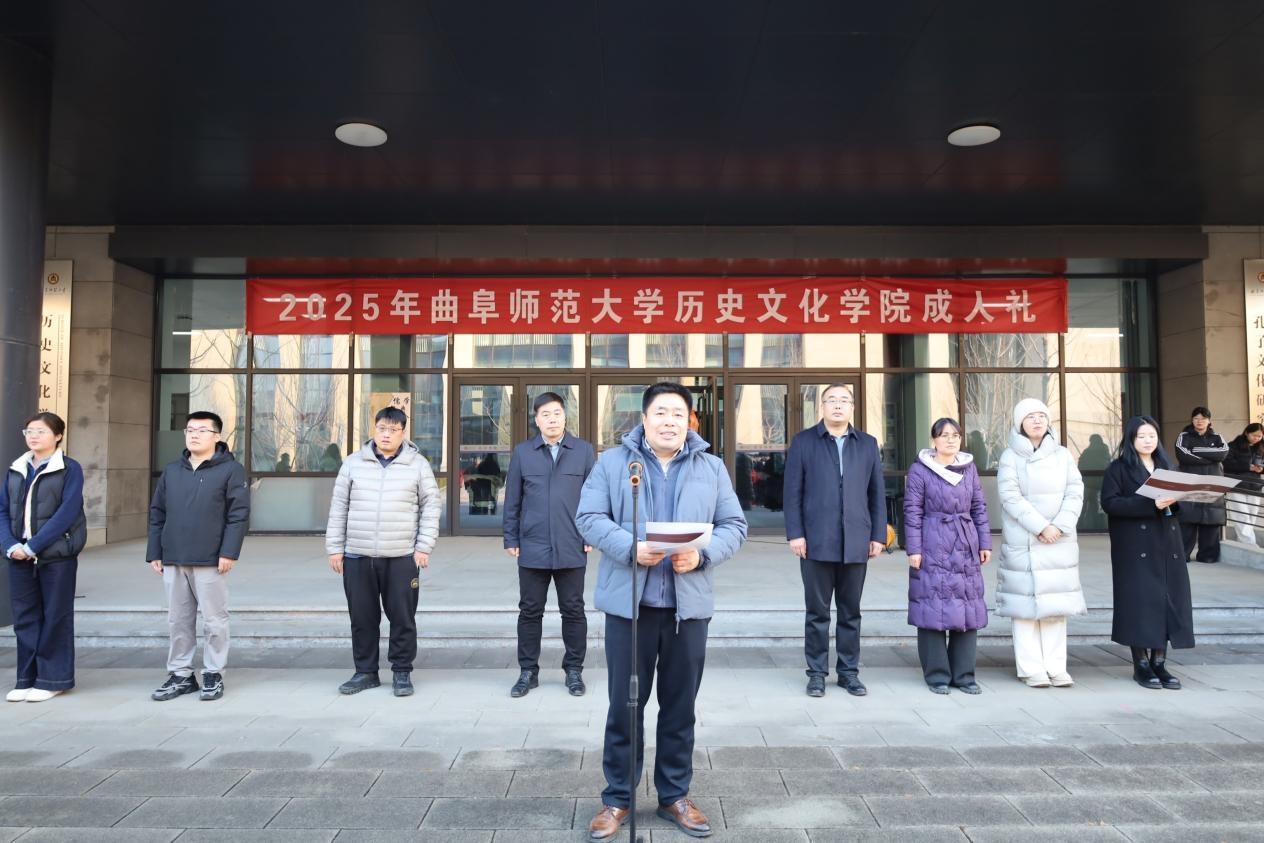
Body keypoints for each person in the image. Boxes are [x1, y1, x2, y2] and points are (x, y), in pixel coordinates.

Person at [577, 382, 747, 841]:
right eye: (660, 412)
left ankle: (674, 795)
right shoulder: (615, 463)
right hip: (630, 608)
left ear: (689, 421)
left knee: (680, 707)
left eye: (677, 414)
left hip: (686, 610)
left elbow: (735, 525)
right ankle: (618, 798)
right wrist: (629, 547)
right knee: (624, 706)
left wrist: (703, 555)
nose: (669, 421)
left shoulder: (711, 467)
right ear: (644, 419)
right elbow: (588, 517)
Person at [326, 406, 441, 697]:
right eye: (382, 428)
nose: (386, 434)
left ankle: (402, 672)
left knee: (402, 618)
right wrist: (335, 548)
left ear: (403, 433)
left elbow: (431, 506)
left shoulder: (417, 465)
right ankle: (365, 672)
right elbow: (338, 507)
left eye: (393, 430)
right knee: (362, 618)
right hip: (357, 554)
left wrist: (423, 546)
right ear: (374, 429)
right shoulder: (353, 463)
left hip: (401, 556)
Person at [784, 383, 886, 698]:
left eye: (844, 400)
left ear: (852, 407)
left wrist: (878, 535)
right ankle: (816, 674)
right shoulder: (804, 442)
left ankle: (848, 673)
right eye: (832, 400)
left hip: (856, 540)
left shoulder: (867, 444)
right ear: (822, 406)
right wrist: (796, 533)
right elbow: (792, 492)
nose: (838, 405)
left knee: (850, 611)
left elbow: (876, 493)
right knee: (817, 613)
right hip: (816, 541)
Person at [148, 411, 250, 702]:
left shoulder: (230, 470)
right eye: (190, 430)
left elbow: (238, 514)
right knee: (178, 620)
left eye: (202, 430)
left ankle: (213, 673)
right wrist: (155, 551)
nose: (194, 435)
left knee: (214, 620)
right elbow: (157, 512)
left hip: (210, 558)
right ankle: (181, 675)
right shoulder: (172, 470)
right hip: (174, 556)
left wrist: (229, 551)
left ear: (217, 436)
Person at [502, 392, 596, 698]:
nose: (552, 419)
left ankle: (574, 671)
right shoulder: (523, 452)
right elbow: (512, 500)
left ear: (565, 416)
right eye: (545, 414)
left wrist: (591, 534)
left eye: (557, 413)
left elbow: (595, 498)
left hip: (572, 544)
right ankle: (528, 672)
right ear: (536, 419)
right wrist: (511, 537)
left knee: (574, 611)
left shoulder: (583, 451)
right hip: (533, 545)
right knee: (530, 611)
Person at [995, 399, 1086, 688]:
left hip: (1059, 539)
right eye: (1030, 417)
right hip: (1025, 540)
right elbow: (1010, 496)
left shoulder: (1062, 455)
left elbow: (1075, 491)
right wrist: (1041, 526)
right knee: (1024, 608)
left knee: (1055, 607)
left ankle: (1056, 667)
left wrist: (1059, 526)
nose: (1037, 421)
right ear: (1019, 423)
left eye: (1041, 416)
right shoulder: (1010, 456)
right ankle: (1030, 668)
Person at [1101, 416, 1194, 690]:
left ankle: (1160, 662)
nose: (1147, 441)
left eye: (1152, 435)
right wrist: (1150, 503)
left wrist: (1176, 502)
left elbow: (1182, 506)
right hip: (1135, 547)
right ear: (1131, 439)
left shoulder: (1167, 467)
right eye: (1141, 436)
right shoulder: (1118, 468)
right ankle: (1141, 664)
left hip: (1168, 544)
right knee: (1140, 603)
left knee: (1167, 601)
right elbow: (1110, 504)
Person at [1, 413, 87, 702]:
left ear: (58, 436)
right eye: (29, 431)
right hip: (18, 555)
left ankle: (53, 679)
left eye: (40, 431)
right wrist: (10, 545)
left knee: (55, 617)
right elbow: (2, 510)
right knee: (25, 618)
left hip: (56, 555)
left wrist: (33, 546)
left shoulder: (69, 468)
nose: (33, 436)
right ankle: (26, 679)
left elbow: (67, 513)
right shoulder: (17, 468)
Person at [903, 417, 991, 695]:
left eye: (955, 435)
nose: (950, 439)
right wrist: (914, 549)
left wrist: (984, 542)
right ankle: (937, 675)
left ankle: (964, 675)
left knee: (967, 608)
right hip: (932, 542)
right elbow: (912, 511)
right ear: (934, 440)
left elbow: (979, 507)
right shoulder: (920, 470)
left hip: (965, 542)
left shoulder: (969, 468)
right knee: (931, 607)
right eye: (944, 435)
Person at [1174, 406, 1228, 563]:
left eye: (1203, 418)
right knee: (1187, 520)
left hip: (1212, 483)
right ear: (1192, 420)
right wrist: (1210, 458)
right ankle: (1182, 555)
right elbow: (1183, 455)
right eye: (1196, 418)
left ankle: (1208, 556)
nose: (1199, 421)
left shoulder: (1217, 437)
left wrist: (1196, 450)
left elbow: (1223, 453)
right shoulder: (1184, 436)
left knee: (1210, 521)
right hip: (1190, 483)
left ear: (1209, 421)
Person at [1223, 423, 1264, 545]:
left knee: (1251, 517)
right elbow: (1227, 463)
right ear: (1246, 433)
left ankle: (1243, 544)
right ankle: (1251, 546)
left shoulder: (1261, 447)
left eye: (1259, 436)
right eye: (1254, 435)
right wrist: (1247, 467)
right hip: (1236, 486)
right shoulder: (1233, 446)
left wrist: (1261, 469)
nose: (1256, 438)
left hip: (1255, 486)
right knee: (1241, 517)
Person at [1077, 434, 1111, 532]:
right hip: (1098, 485)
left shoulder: (1087, 452)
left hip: (1089, 484)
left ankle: (1081, 526)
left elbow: (1080, 466)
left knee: (1086, 507)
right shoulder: (1104, 451)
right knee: (1097, 508)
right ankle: (1099, 526)